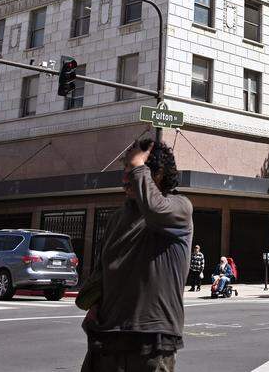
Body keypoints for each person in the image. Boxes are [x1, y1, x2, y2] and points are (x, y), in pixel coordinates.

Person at [81, 138, 193, 372]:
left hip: (151, 343)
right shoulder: (118, 217)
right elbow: (104, 268)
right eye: (125, 170)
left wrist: (139, 165)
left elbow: (154, 209)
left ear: (158, 174)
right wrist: (96, 304)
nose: (125, 178)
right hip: (107, 340)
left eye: (130, 170)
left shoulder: (179, 207)